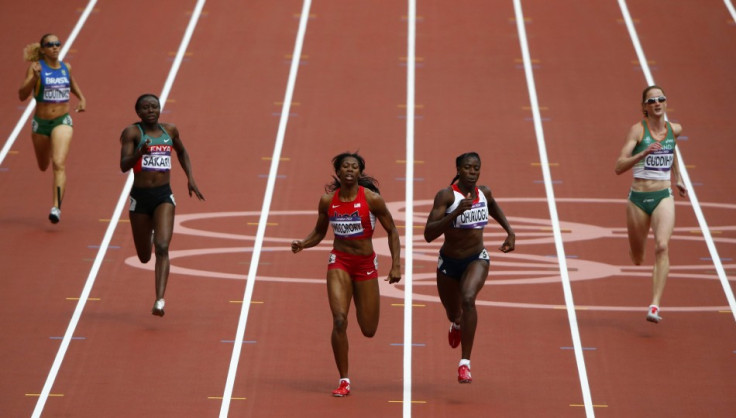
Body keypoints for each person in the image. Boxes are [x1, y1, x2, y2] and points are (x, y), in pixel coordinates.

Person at [291, 152, 402, 397]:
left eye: (354, 166)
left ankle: (345, 376)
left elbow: (392, 230)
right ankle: (344, 380)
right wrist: (304, 243)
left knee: (368, 329)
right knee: (340, 319)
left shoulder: (372, 200)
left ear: (360, 173)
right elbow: (319, 233)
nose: (350, 169)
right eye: (345, 166)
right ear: (338, 172)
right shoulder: (327, 201)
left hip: (365, 266)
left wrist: (396, 265)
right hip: (339, 262)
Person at [424, 152, 515, 384]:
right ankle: (456, 323)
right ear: (458, 169)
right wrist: (455, 213)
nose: (472, 172)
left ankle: (465, 363)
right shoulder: (446, 196)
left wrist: (510, 231)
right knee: (454, 312)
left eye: (476, 168)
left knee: (468, 300)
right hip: (448, 263)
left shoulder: (484, 193)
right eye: (467, 168)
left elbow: (492, 206)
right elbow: (428, 234)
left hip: (476, 259)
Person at [119, 94, 204, 317]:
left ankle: (159, 300)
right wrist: (140, 153)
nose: (151, 110)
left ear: (159, 108)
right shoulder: (133, 133)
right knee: (145, 257)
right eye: (145, 108)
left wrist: (190, 178)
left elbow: (182, 152)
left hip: (163, 196)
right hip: (140, 198)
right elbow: (123, 165)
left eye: (154, 107)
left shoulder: (170, 130)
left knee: (163, 247)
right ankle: (149, 232)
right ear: (138, 112)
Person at [615, 85, 686, 324]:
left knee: (662, 246)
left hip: (663, 196)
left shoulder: (674, 129)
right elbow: (618, 167)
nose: (657, 103)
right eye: (652, 100)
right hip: (637, 199)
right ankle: (636, 250)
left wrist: (678, 178)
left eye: (661, 99)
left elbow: (672, 149)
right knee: (637, 257)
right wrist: (642, 154)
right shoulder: (637, 131)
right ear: (644, 107)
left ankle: (654, 305)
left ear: (666, 103)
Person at [18, 33, 86, 223]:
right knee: (43, 165)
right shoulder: (36, 68)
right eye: (50, 45)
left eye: (58, 44)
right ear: (43, 50)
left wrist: (81, 97)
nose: (55, 47)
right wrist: (34, 79)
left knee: (58, 163)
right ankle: (49, 148)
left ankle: (56, 207)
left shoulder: (66, 67)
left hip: (62, 121)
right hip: (41, 124)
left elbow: (71, 83)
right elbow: (22, 95)